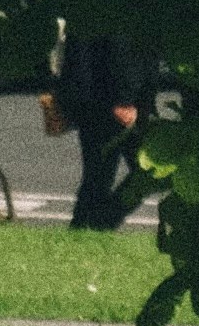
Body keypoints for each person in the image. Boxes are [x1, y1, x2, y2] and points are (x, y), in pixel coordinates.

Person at [45, 31, 156, 233]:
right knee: (142, 169)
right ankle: (97, 223)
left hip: (98, 96)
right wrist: (124, 99)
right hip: (110, 99)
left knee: (99, 173)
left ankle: (87, 225)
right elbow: (120, 50)